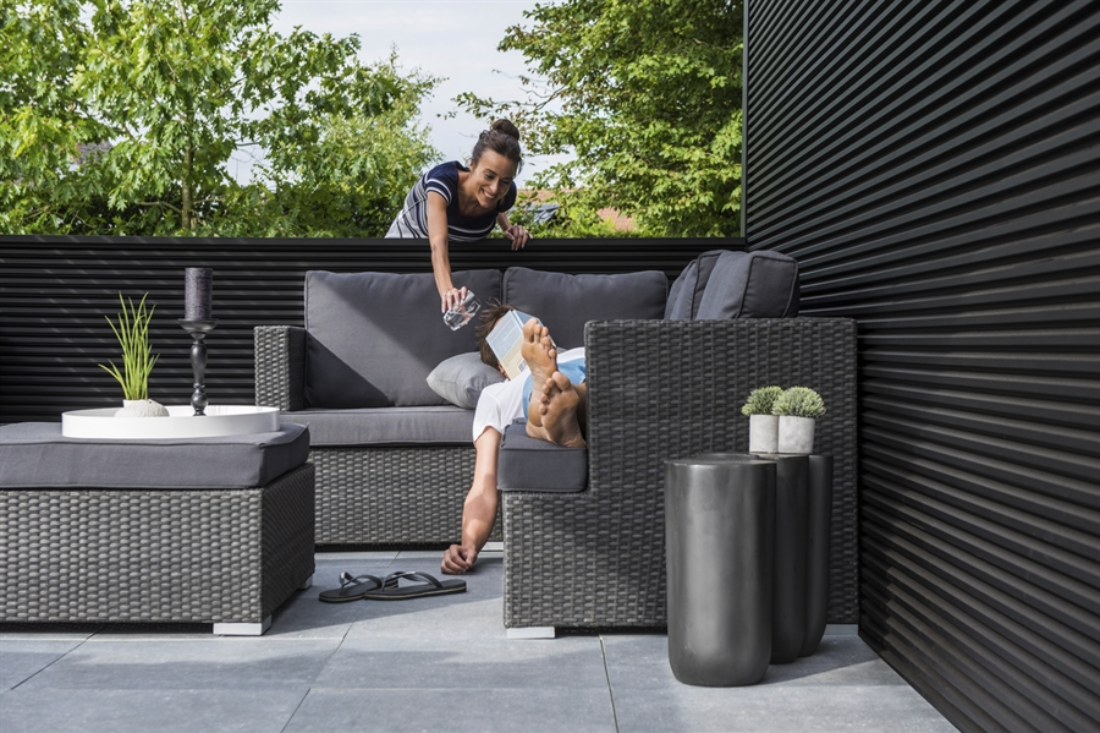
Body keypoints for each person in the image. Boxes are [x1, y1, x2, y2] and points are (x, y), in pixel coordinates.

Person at [440, 302, 587, 575]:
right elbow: (484, 484)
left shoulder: (580, 351)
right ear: (501, 367)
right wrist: (468, 544)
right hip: (534, 389)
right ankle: (551, 408)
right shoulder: (497, 393)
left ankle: (560, 409)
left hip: (592, 379)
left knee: (580, 387)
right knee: (540, 397)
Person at [387, 119, 532, 314]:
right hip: (406, 250)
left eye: (505, 181)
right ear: (471, 165)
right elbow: (438, 242)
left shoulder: (504, 196)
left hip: (455, 264)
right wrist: (448, 291)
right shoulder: (442, 182)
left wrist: (509, 229)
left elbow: (497, 206)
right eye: (489, 176)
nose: (495, 188)